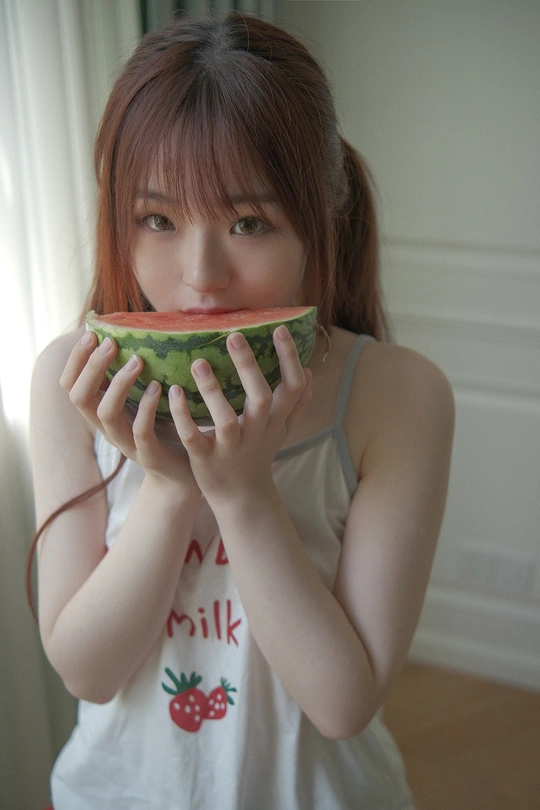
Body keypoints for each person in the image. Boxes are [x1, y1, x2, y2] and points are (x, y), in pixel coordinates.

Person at [28, 11, 454, 810]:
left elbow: (342, 706)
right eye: (158, 219)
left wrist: (245, 493)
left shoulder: (398, 395)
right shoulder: (70, 381)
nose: (201, 275)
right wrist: (168, 486)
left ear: (322, 217)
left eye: (249, 223)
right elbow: (87, 671)